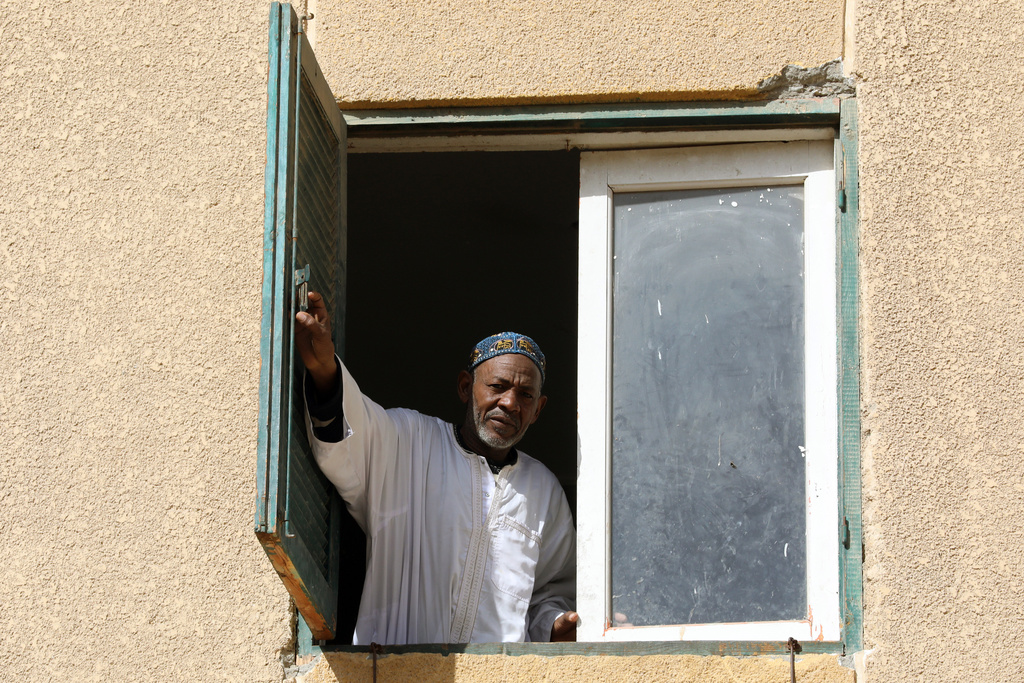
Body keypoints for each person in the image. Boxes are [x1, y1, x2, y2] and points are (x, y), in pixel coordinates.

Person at [295, 291, 578, 645]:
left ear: (538, 409)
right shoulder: (409, 442)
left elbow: (550, 594)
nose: (510, 403)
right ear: (465, 387)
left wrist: (554, 625)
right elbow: (352, 435)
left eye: (526, 395)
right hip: (393, 669)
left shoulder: (544, 492)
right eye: (497, 386)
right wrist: (324, 368)